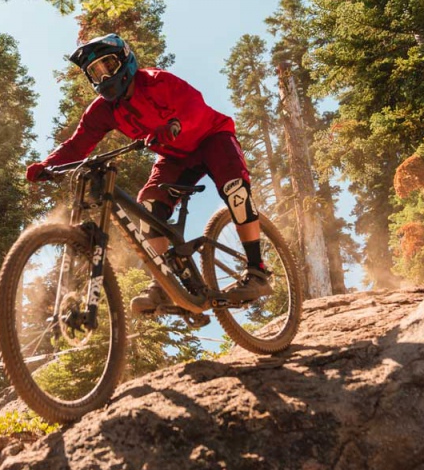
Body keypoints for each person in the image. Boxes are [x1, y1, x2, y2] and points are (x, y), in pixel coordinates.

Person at [25, 33, 271, 315]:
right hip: (175, 156)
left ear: (125, 60)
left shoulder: (157, 81)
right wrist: (47, 165)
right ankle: (164, 285)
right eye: (95, 72)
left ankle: (258, 272)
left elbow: (194, 105)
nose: (104, 77)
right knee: (149, 207)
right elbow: (78, 144)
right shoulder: (103, 111)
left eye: (108, 66)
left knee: (235, 190)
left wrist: (176, 123)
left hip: (211, 137)